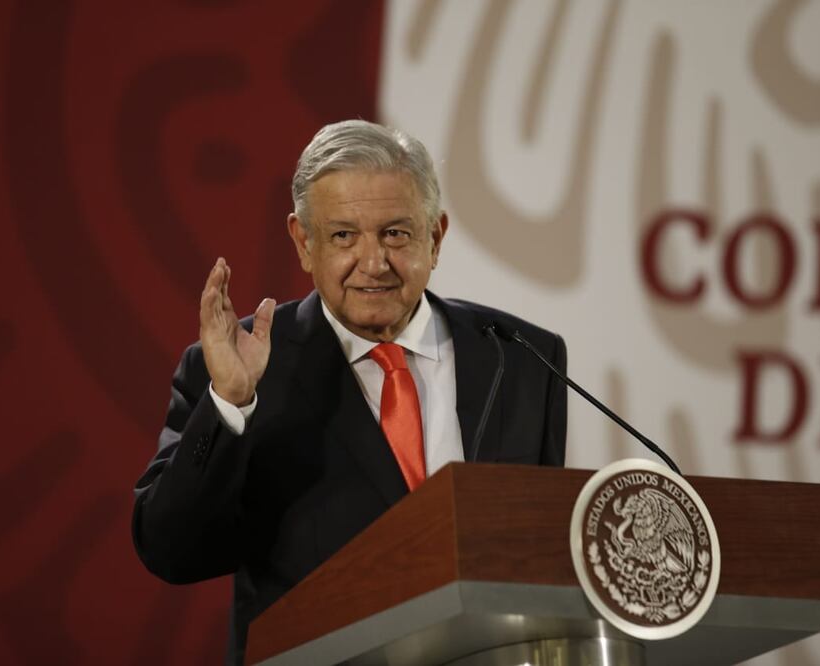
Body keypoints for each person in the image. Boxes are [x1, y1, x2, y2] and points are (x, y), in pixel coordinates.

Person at [132, 120, 567, 665]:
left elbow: (539, 559)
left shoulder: (522, 357)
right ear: (303, 242)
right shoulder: (238, 367)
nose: (373, 262)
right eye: (343, 236)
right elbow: (172, 552)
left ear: (435, 238)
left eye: (396, 233)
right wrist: (229, 404)